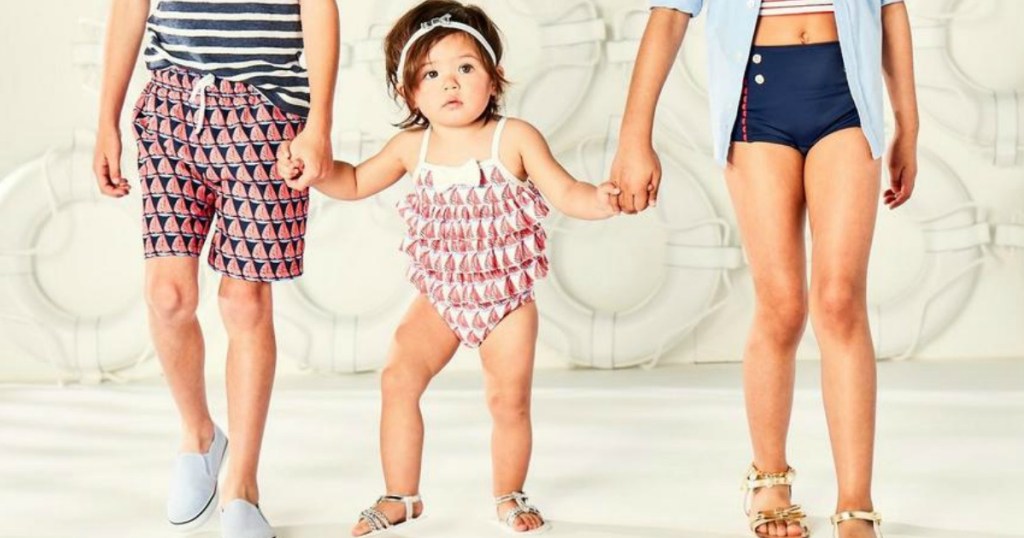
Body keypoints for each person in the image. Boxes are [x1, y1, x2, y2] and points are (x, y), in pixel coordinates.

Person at [278, 1, 619, 534]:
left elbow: (567, 191)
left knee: (508, 400)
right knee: (398, 378)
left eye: (465, 67)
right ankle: (401, 495)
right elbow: (354, 182)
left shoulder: (515, 137)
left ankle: (509, 494)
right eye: (431, 74)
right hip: (440, 295)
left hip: (506, 300)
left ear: (493, 77)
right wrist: (316, 171)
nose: (450, 83)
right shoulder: (411, 147)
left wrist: (601, 200)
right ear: (409, 93)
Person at [611, 1, 919, 537]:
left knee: (839, 301)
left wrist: (908, 126)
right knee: (782, 305)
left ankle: (855, 498)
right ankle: (769, 477)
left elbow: (891, 8)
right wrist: (634, 138)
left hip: (848, 100)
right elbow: (669, 16)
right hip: (757, 103)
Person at [92, 0, 338, 536]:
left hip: (266, 111)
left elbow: (319, 7)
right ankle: (198, 434)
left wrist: (319, 124)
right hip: (171, 108)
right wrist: (106, 121)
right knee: (168, 295)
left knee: (244, 301)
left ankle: (242, 484)